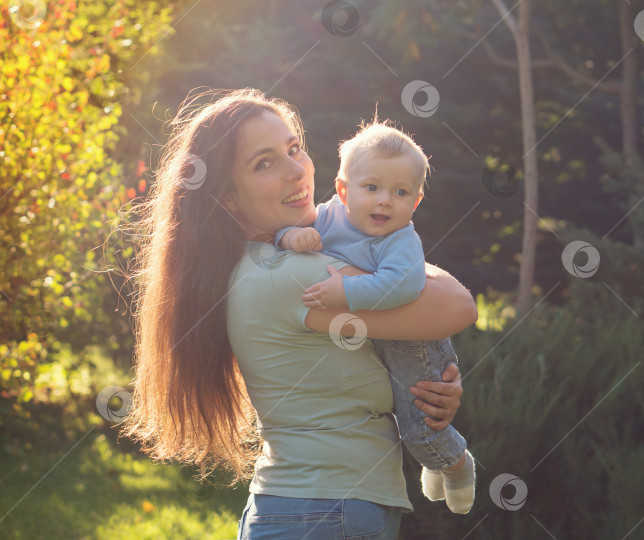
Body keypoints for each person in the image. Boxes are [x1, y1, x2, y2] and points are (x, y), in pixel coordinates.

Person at [121, 88, 478, 540]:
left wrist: (423, 384)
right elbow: (456, 305)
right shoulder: (291, 275)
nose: (297, 171)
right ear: (228, 198)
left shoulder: (263, 261)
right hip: (326, 513)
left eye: (294, 149)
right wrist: (392, 248)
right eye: (264, 163)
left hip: (309, 510)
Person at [274, 120, 476, 514]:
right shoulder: (329, 215)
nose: (385, 201)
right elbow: (289, 229)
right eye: (372, 188)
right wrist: (289, 237)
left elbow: (400, 287)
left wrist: (344, 293)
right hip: (379, 335)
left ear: (415, 202)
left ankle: (457, 466)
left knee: (420, 425)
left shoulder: (400, 239)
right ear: (344, 190)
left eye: (400, 192)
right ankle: (435, 462)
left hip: (413, 339)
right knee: (399, 418)